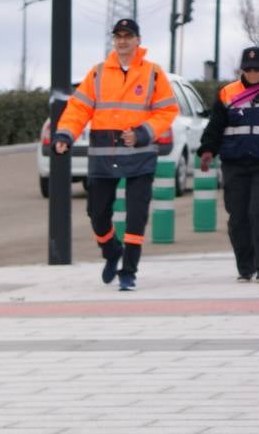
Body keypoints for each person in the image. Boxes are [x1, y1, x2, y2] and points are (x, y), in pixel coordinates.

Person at [53, 17, 178, 292]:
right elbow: (78, 109)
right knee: (96, 213)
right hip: (103, 157)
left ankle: (129, 271)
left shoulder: (153, 73)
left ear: (138, 41)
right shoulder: (97, 73)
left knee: (136, 216)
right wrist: (64, 135)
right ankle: (111, 251)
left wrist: (143, 132)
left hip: (140, 157)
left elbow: (167, 111)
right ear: (114, 40)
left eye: (128, 36)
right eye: (118, 36)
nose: (122, 40)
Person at [199, 46, 259, 282]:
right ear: (241, 69)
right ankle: (245, 267)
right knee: (238, 217)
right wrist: (207, 151)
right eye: (249, 69)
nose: (253, 74)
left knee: (257, 213)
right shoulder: (227, 94)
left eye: (257, 69)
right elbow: (215, 127)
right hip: (234, 164)